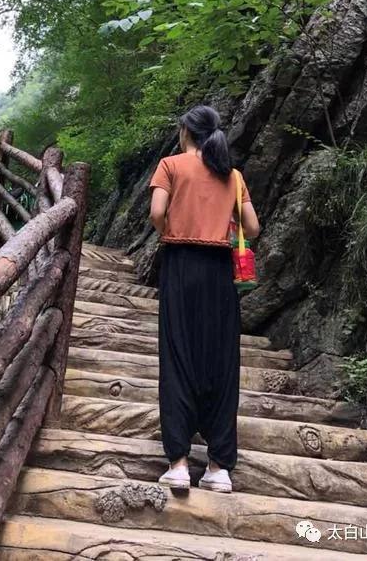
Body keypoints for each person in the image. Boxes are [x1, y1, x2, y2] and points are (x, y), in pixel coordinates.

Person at [149, 104, 259, 494]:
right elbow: (253, 227)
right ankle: (218, 468)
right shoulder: (232, 175)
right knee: (221, 362)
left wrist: (172, 229)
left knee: (178, 357)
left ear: (185, 132)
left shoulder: (171, 165)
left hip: (180, 264)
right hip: (219, 272)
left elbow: (157, 212)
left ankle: (178, 463)